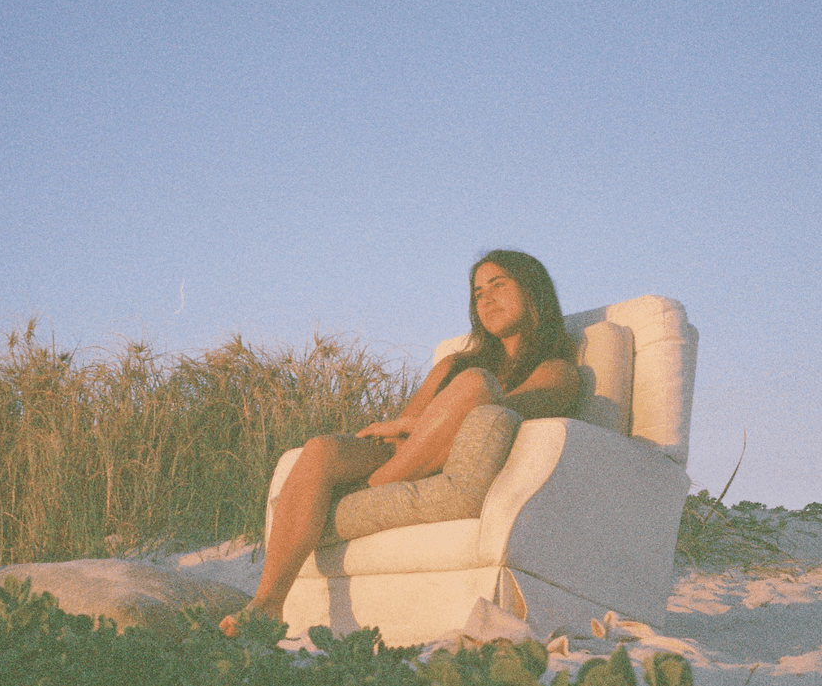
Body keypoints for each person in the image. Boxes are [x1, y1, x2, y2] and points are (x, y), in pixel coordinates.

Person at [220, 250, 581, 637]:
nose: (486, 299)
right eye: (478, 293)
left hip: (450, 457)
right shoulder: (453, 364)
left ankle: (363, 490)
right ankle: (267, 604)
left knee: (476, 384)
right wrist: (396, 428)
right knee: (322, 448)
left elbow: (497, 415)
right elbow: (407, 424)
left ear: (533, 291)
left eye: (499, 285)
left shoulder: (555, 370)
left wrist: (421, 421)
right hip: (404, 453)